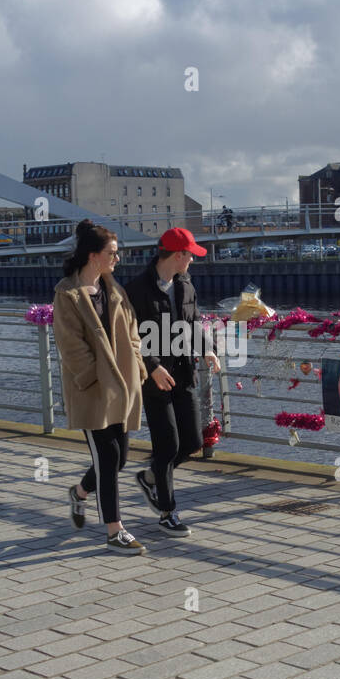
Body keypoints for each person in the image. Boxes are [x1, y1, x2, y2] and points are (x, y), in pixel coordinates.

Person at [53, 220, 149, 555]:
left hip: (122, 388)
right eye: (112, 253)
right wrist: (96, 376)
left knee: (120, 458)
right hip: (93, 392)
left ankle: (79, 493)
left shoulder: (114, 290)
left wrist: (136, 364)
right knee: (108, 457)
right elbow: (71, 346)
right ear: (93, 256)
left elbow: (133, 332)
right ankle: (114, 531)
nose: (117, 259)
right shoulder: (67, 295)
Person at [124, 227, 220, 536]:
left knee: (191, 442)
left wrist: (207, 350)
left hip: (183, 372)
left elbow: (193, 323)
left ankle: (150, 477)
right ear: (178, 255)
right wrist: (151, 367)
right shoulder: (136, 289)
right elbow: (129, 336)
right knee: (167, 446)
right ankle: (167, 511)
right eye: (190, 254)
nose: (192, 260)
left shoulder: (185, 285)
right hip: (153, 378)